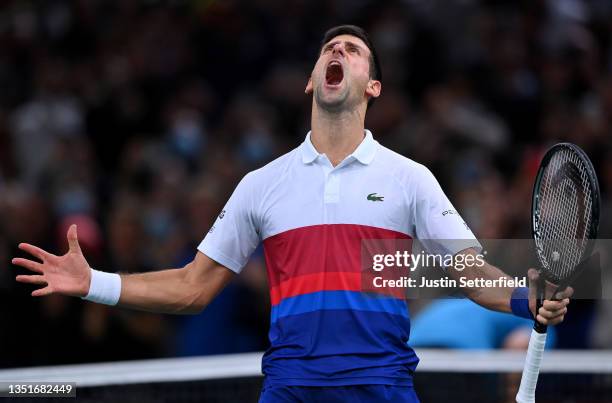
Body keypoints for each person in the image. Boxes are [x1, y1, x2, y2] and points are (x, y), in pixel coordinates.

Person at [12, 25, 571, 402]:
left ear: (372, 86)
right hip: (291, 388)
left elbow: (467, 272)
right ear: (311, 80)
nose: (338, 55)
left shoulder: (410, 178)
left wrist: (528, 296)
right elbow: (192, 286)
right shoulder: (261, 185)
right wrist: (94, 284)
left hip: (380, 386)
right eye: (330, 51)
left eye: (353, 52)